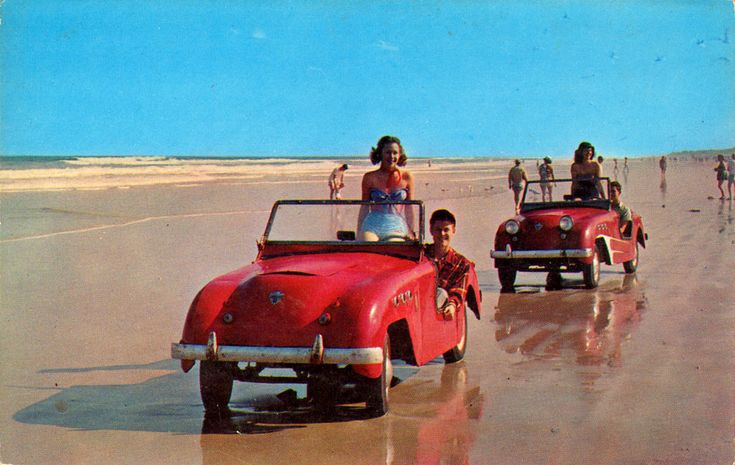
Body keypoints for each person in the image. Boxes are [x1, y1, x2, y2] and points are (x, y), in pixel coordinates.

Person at [358, 135, 415, 240]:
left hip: (396, 225)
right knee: (368, 245)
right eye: (388, 152)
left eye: (395, 153)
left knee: (394, 247)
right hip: (372, 224)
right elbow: (364, 207)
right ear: (380, 153)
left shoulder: (407, 177)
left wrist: (411, 231)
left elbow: (409, 208)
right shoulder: (369, 177)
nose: (391, 156)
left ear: (400, 155)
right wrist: (359, 231)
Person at [424, 209, 473, 321]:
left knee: (442, 293)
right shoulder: (421, 255)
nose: (442, 234)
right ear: (431, 230)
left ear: (453, 230)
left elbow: (459, 291)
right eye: (438, 230)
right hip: (421, 310)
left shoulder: (462, 263)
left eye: (446, 230)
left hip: (442, 313)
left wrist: (452, 305)